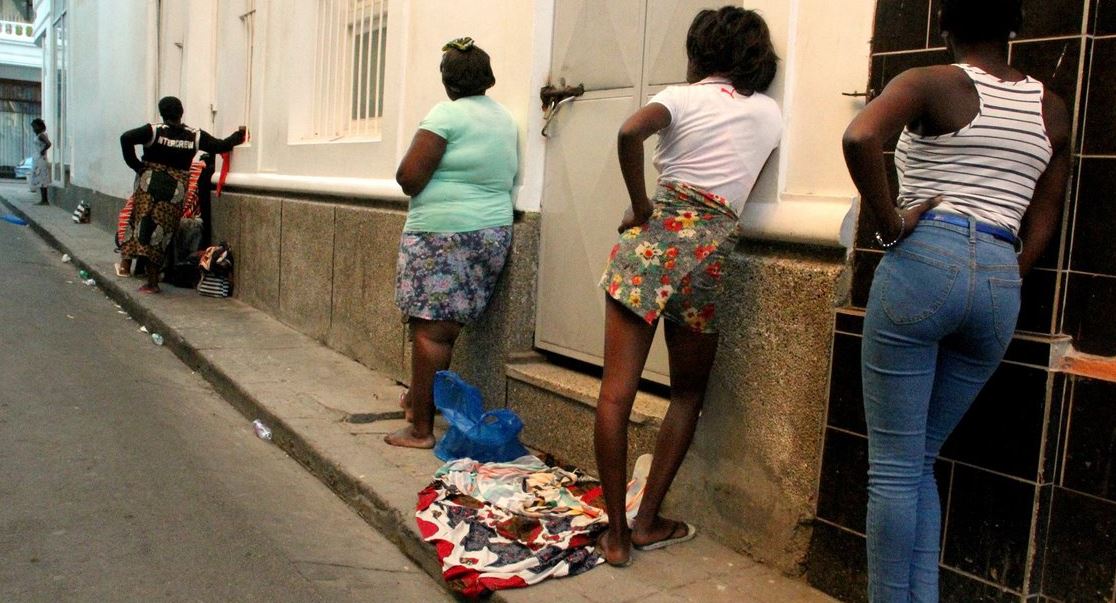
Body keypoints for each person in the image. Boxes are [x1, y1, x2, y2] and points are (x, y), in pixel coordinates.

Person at [841, 1, 1070, 599]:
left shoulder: (930, 82)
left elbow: (860, 135)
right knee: (920, 460)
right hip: (999, 278)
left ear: (944, 25)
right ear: (1014, 26)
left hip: (923, 262)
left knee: (894, 468)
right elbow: (1047, 209)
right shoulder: (1052, 108)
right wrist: (1005, 272)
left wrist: (889, 224)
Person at [592, 6, 782, 567]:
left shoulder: (680, 97)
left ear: (700, 52)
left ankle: (616, 537)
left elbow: (629, 130)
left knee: (615, 395)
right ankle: (648, 521)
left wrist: (641, 204)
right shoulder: (769, 112)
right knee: (686, 395)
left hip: (649, 250)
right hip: (709, 257)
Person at [387, 38, 518, 449]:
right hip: (491, 232)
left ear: (447, 82)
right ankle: (416, 400)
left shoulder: (445, 114)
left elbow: (409, 177)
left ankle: (420, 429)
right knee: (439, 327)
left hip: (443, 235)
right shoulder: (505, 119)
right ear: (489, 78)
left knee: (432, 331)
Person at [118, 97, 247, 293]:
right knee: (163, 232)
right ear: (181, 113)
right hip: (175, 190)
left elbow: (125, 138)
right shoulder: (193, 135)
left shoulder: (153, 131)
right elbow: (220, 145)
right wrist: (239, 135)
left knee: (142, 224)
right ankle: (152, 280)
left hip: (150, 185)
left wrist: (136, 165)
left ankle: (136, 272)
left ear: (162, 113)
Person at [29, 118, 51, 205]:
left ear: (39, 126)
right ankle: (43, 199)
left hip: (41, 159)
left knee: (42, 178)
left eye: (34, 127)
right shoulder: (39, 135)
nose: (33, 129)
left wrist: (43, 150)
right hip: (38, 159)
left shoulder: (41, 135)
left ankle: (45, 200)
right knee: (41, 178)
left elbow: (48, 143)